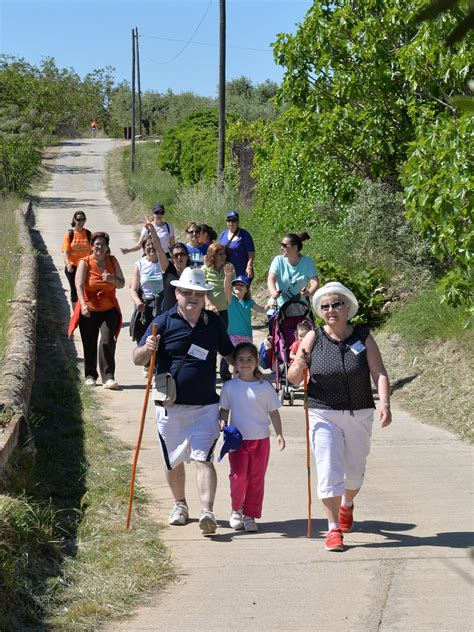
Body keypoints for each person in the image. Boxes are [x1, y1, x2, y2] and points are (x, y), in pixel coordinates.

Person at [287, 282, 392, 552]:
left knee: (354, 474)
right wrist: (299, 364)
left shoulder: (363, 336)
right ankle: (333, 529)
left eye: (336, 304)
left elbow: (378, 372)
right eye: (325, 306)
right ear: (320, 311)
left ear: (348, 307)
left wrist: (385, 404)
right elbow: (293, 379)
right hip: (323, 412)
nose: (331, 310)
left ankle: (347, 504)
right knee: (328, 468)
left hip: (359, 411)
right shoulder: (313, 338)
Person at [133, 267, 235, 536]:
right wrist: (148, 349)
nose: (192, 298)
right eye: (187, 292)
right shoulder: (163, 322)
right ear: (177, 293)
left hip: (206, 406)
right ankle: (180, 505)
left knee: (204, 458)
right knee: (173, 460)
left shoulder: (213, 323)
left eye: (198, 294)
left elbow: (230, 354)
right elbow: (137, 358)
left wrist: (252, 373)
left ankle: (207, 511)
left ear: (204, 297)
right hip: (170, 405)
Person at [219, 342, 285, 532]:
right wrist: (222, 421)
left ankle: (250, 515)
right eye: (241, 359)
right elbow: (224, 409)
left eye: (250, 359)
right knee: (238, 477)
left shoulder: (264, 387)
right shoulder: (230, 386)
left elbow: (273, 412)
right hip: (237, 440)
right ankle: (236, 509)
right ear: (234, 364)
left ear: (256, 362)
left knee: (257, 478)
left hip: (261, 440)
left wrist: (279, 433)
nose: (245, 363)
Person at [68, 232, 125, 389]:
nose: (100, 247)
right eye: (97, 244)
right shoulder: (84, 262)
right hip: (90, 308)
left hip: (109, 308)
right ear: (92, 246)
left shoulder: (112, 261)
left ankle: (108, 377)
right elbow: (78, 285)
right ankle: (90, 375)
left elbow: (122, 283)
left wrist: (112, 279)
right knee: (89, 342)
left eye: (103, 244)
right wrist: (83, 305)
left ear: (107, 247)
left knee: (107, 341)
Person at [202, 243, 235, 380]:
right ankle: (208, 368)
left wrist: (228, 277)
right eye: (220, 254)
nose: (223, 256)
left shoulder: (229, 268)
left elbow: (231, 291)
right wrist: (208, 304)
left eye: (224, 253)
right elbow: (201, 291)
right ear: (212, 256)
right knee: (209, 341)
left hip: (225, 310)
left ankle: (224, 370)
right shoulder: (204, 270)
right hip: (209, 312)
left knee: (225, 341)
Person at [267, 232, 319, 308]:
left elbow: (315, 282)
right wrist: (274, 294)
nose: (281, 248)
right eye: (281, 245)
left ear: (295, 247)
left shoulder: (307, 262)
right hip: (279, 308)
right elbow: (271, 279)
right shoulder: (278, 260)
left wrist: (309, 292)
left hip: (301, 308)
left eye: (284, 245)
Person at [129, 234, 164, 345]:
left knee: (160, 341)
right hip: (145, 308)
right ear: (144, 248)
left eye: (153, 244)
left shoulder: (165, 263)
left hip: (162, 308)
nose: (151, 247)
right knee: (144, 342)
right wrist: (138, 302)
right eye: (148, 245)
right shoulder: (139, 264)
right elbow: (133, 289)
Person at [223, 272, 271, 347]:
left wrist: (271, 303)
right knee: (234, 356)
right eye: (236, 284)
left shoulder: (249, 302)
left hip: (247, 335)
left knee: (246, 355)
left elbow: (263, 310)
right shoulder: (231, 299)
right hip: (233, 335)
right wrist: (227, 276)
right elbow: (226, 289)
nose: (238, 286)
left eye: (241, 285)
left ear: (247, 289)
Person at [61, 211, 92, 309]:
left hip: (85, 267)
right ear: (74, 220)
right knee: (75, 290)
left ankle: (86, 311)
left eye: (83, 219)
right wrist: (67, 264)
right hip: (73, 267)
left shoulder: (88, 234)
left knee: (87, 289)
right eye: (78, 219)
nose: (81, 222)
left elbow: (93, 251)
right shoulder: (70, 234)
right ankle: (76, 315)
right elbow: (65, 252)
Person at [219, 211, 255, 278]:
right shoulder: (223, 234)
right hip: (226, 271)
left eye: (233, 220)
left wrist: (249, 266)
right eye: (228, 220)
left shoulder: (244, 234)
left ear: (238, 222)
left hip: (241, 270)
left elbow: (251, 253)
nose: (231, 223)